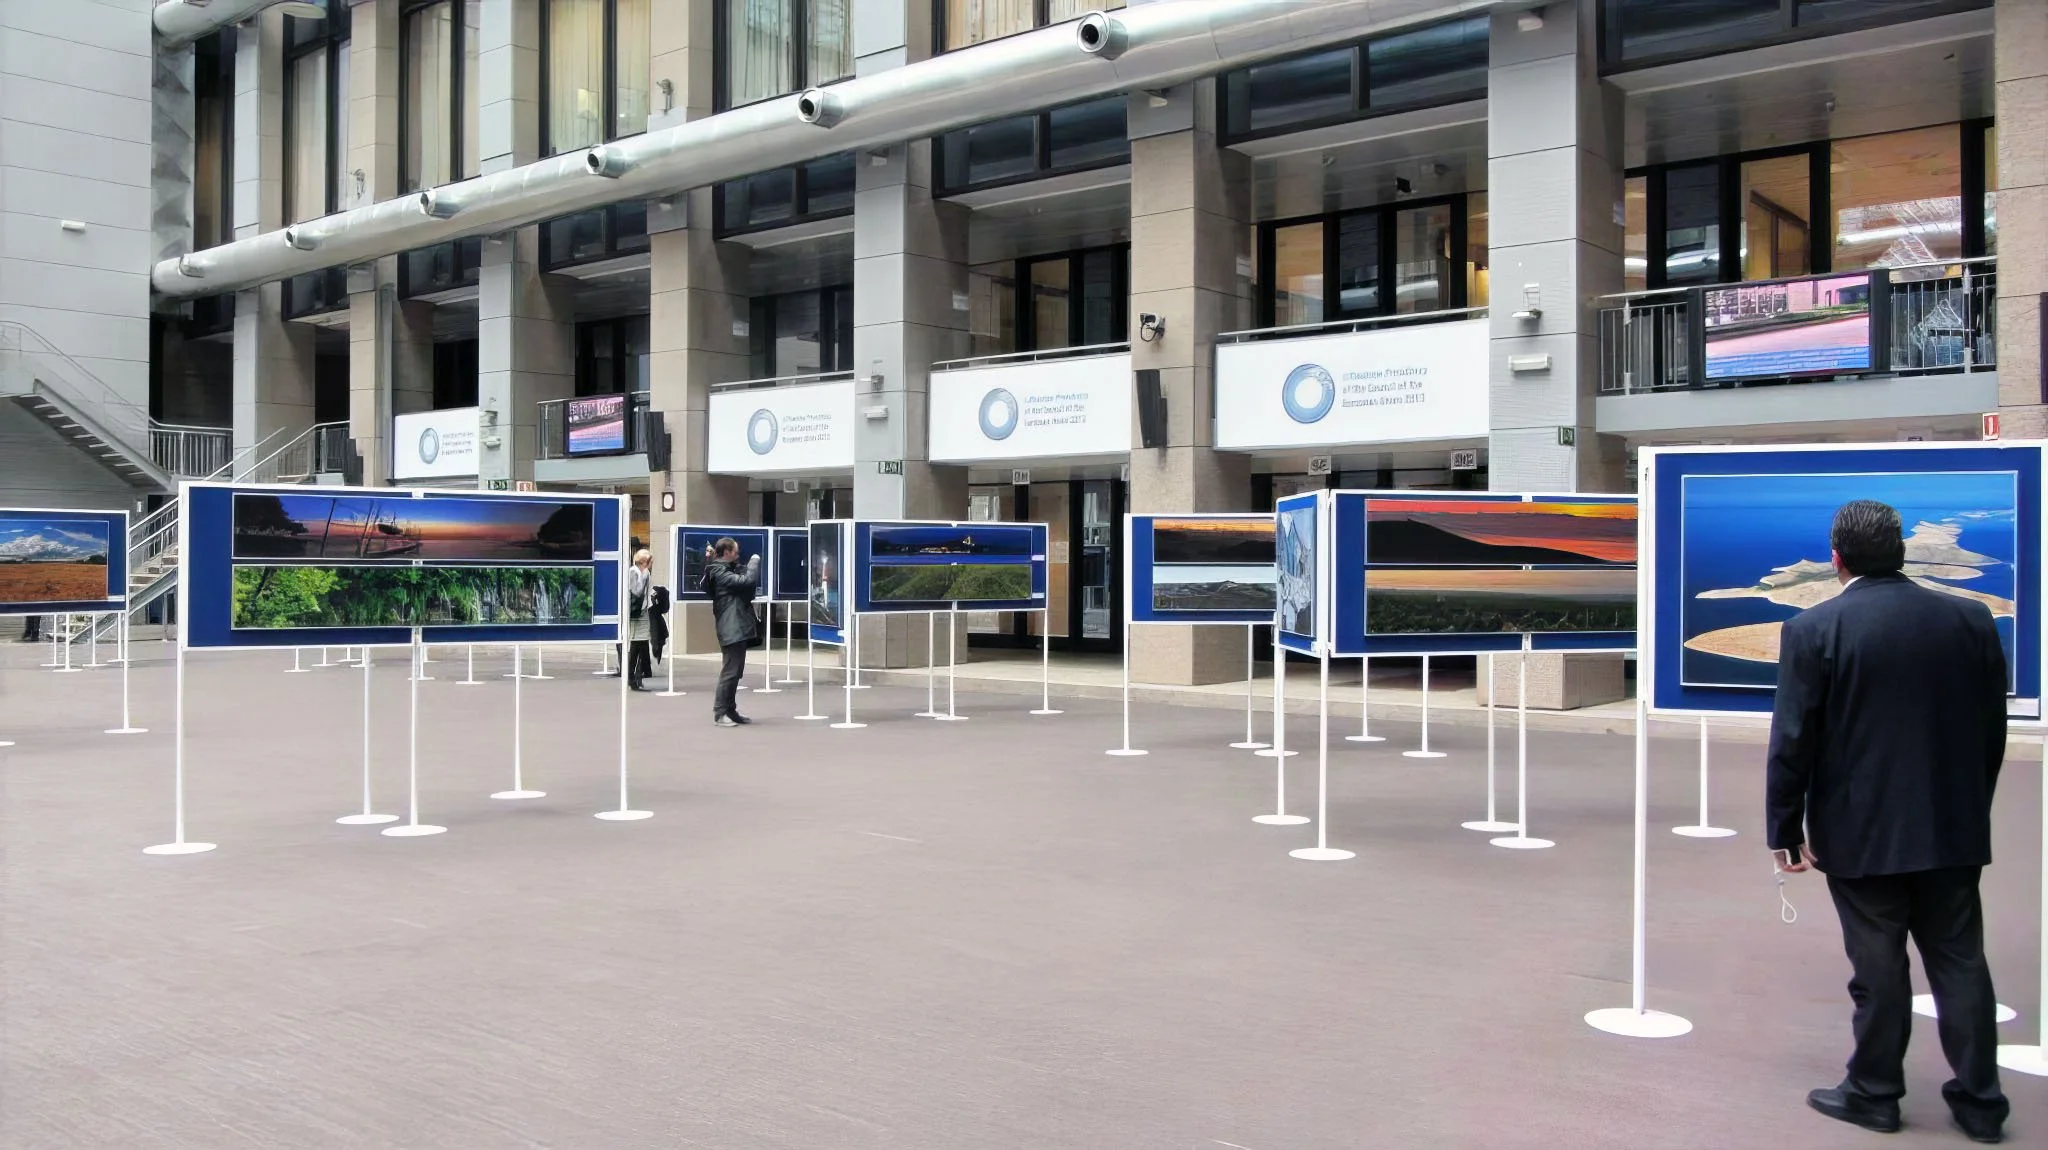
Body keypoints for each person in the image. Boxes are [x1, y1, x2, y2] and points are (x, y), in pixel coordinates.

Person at [1767, 499, 2010, 1143]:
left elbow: (1793, 740)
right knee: (1960, 961)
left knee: (1877, 967)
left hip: (1859, 831)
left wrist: (1784, 831)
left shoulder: (1813, 630)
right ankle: (1982, 1104)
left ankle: (1874, 1093)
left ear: (1836, 559)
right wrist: (1971, 805)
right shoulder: (1970, 619)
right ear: (1901, 552)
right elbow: (1991, 730)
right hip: (1952, 825)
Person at [700, 536, 760, 727]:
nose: (738, 554)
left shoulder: (724, 569)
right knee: (730, 671)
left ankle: (730, 710)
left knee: (735, 671)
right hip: (731, 625)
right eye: (735, 551)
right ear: (726, 552)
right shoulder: (719, 571)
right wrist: (754, 562)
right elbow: (747, 581)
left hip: (735, 625)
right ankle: (720, 713)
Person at [624, 549, 655, 691]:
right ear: (644, 562)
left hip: (642, 612)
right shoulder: (634, 572)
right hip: (637, 614)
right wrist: (644, 575)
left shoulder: (640, 572)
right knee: (636, 644)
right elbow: (637, 591)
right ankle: (631, 677)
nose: (651, 565)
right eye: (650, 562)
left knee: (640, 644)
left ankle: (636, 677)